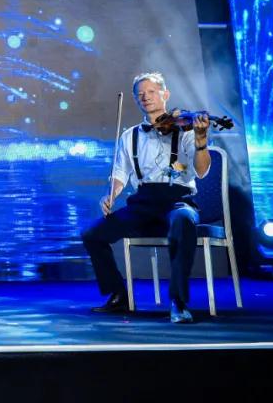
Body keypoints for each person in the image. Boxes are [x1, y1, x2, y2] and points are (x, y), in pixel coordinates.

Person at [82, 72, 211, 324]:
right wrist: (111, 195)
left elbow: (202, 171)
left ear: (165, 94)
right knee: (92, 234)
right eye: (140, 94)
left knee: (183, 220)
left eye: (151, 92)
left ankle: (179, 302)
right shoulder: (129, 136)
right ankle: (119, 295)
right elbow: (120, 173)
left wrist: (201, 141)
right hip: (143, 203)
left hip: (177, 200)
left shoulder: (186, 130)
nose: (146, 97)